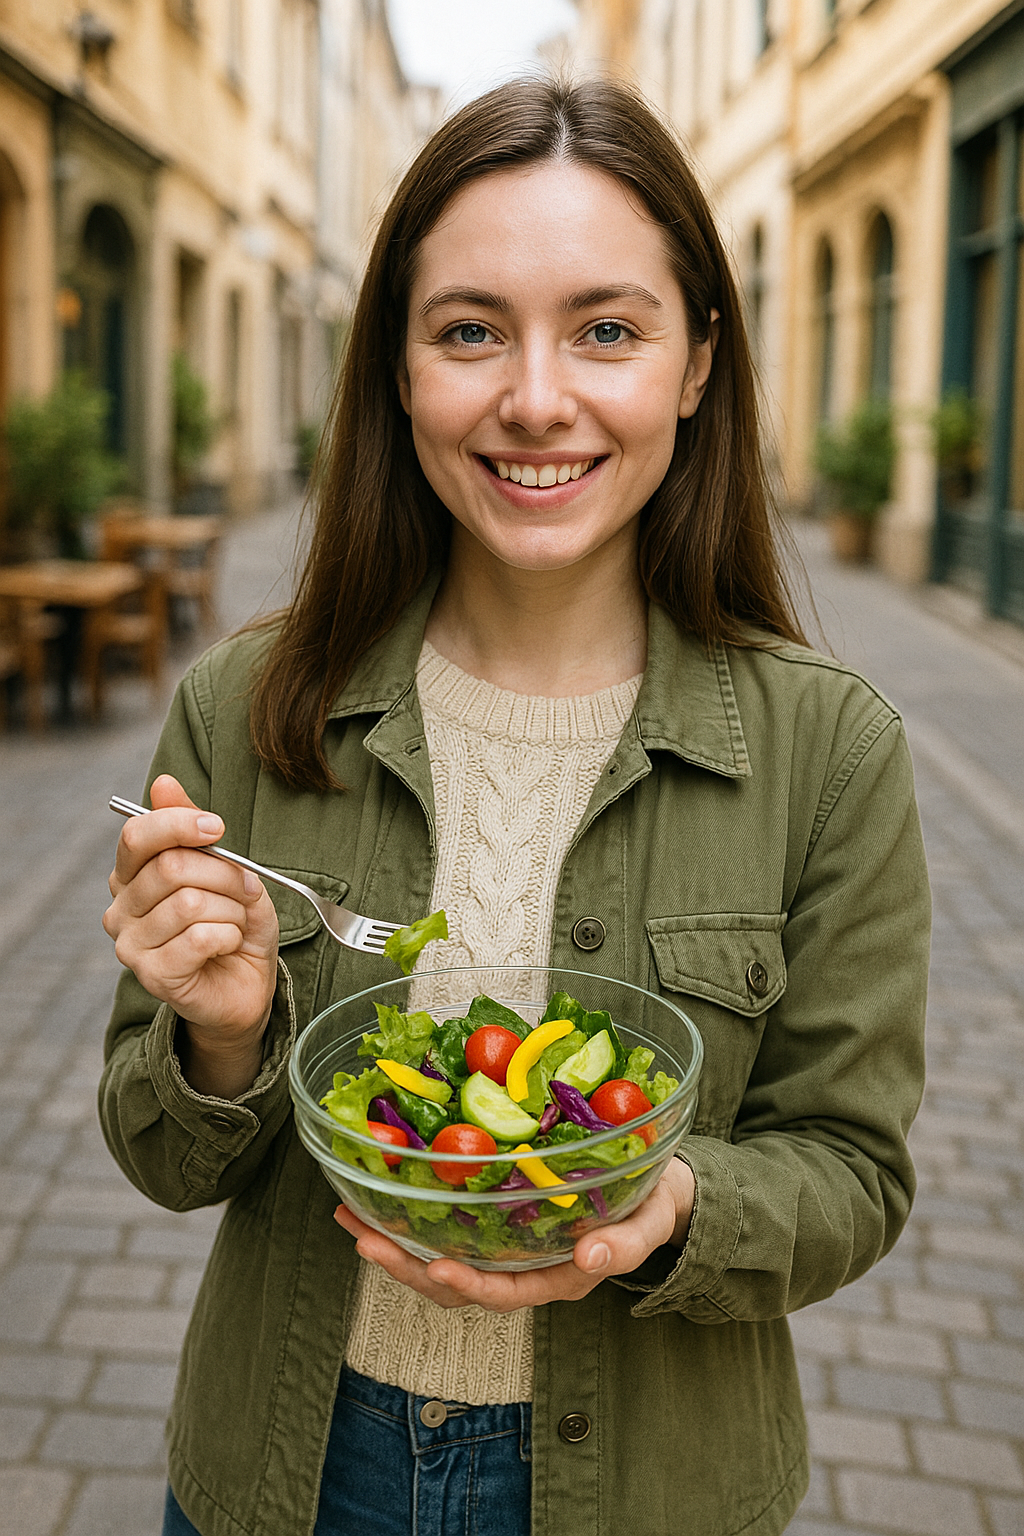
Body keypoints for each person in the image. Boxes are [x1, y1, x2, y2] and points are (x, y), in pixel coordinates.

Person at [100, 77, 930, 1536]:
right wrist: (222, 1036)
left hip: (653, 1486)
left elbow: (852, 1173)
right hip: (290, 1469)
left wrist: (670, 1211)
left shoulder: (831, 751)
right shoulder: (242, 707)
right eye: (470, 329)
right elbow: (164, 1157)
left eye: (607, 329)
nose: (536, 397)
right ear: (399, 370)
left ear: (694, 365)